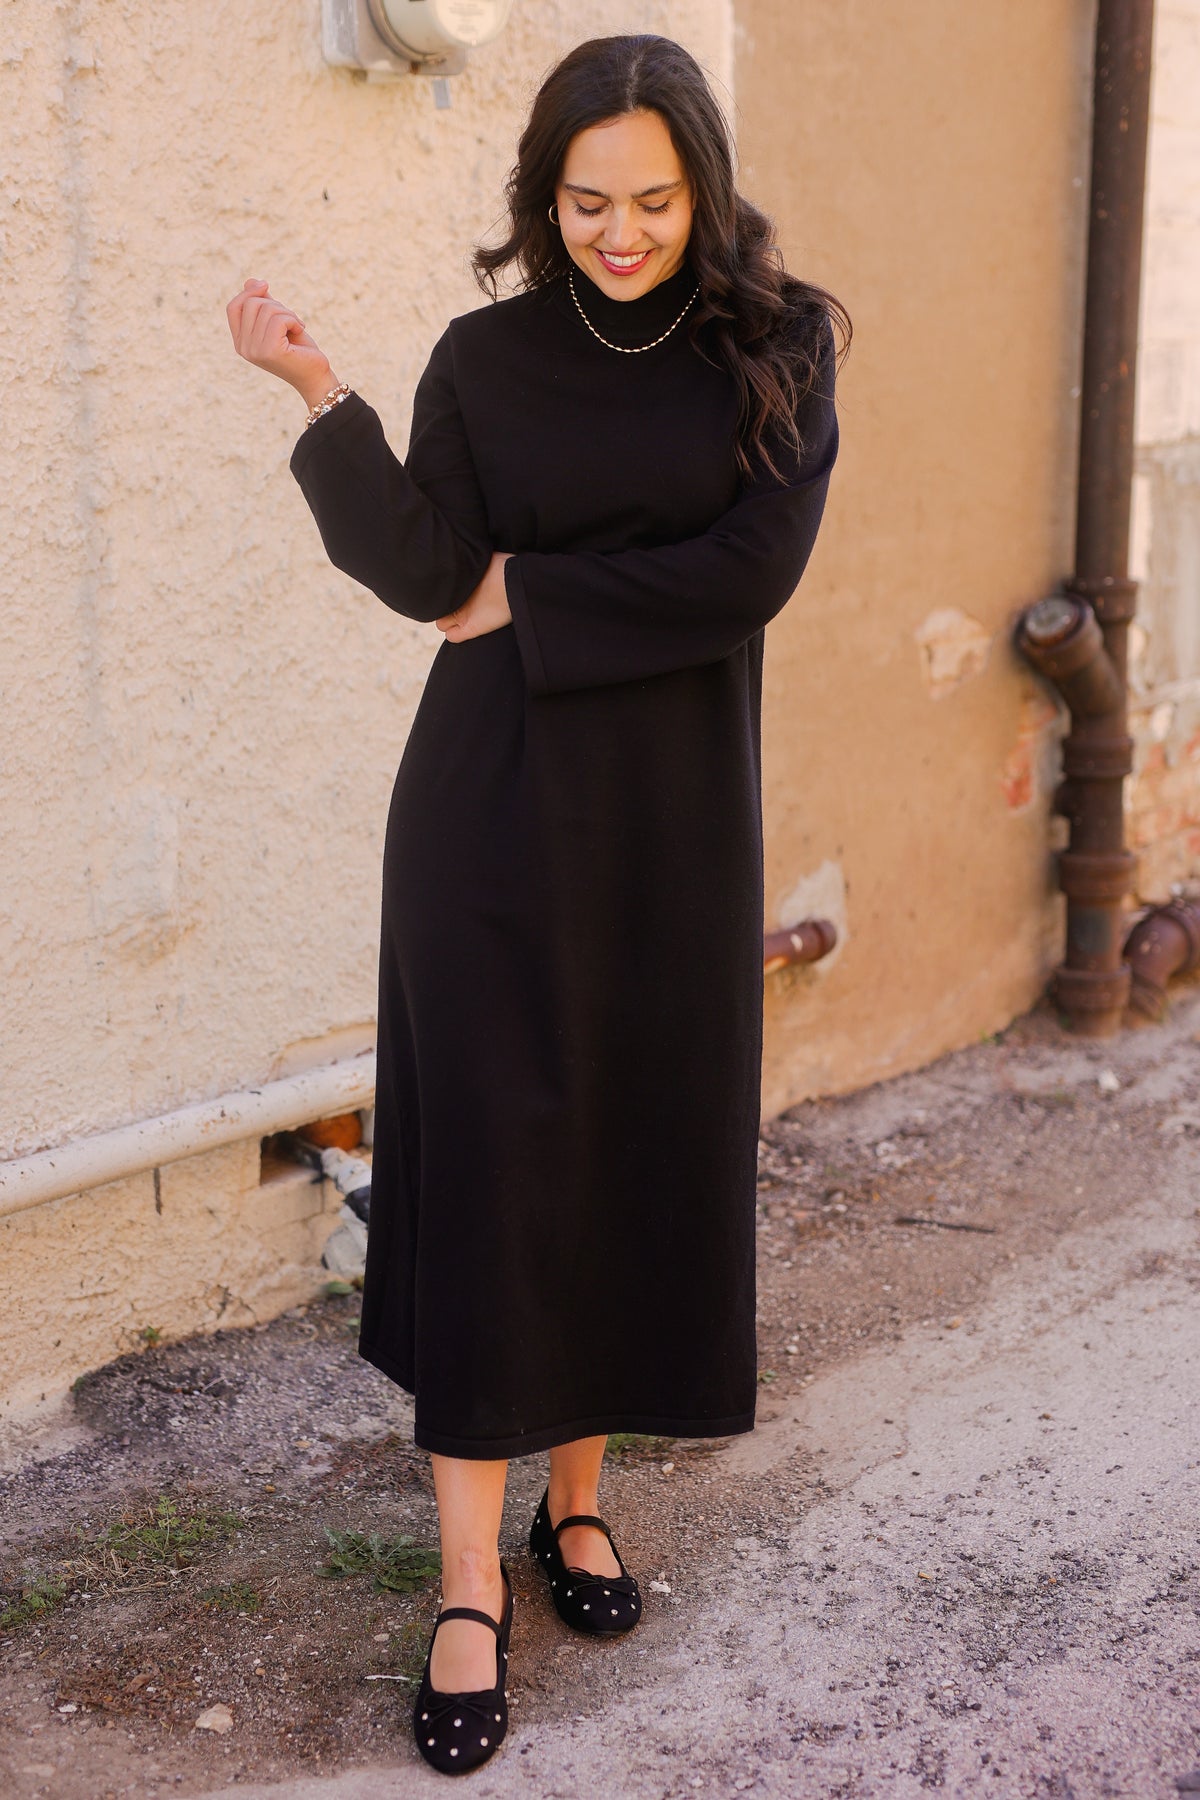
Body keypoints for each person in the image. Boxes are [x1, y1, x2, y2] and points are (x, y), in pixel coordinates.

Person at [226, 31, 848, 1775]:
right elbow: (433, 579)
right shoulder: (485, 362)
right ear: (542, 195)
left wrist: (539, 599)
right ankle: (462, 1588)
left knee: (629, 1146)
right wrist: (317, 394)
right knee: (502, 1172)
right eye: (588, 201)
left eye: (656, 200)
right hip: (488, 823)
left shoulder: (775, 349)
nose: (623, 231)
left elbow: (752, 574)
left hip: (669, 829)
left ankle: (580, 1506)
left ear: (705, 193)